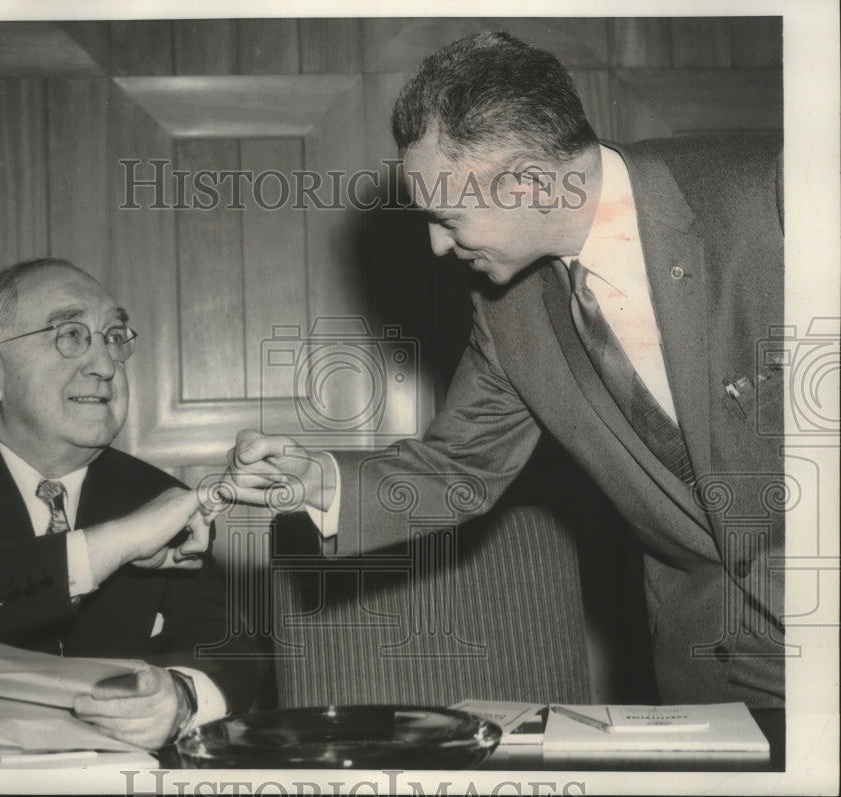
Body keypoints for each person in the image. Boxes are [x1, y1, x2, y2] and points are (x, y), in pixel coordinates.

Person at [223, 32, 785, 707]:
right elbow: (459, 467)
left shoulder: (778, 194)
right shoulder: (508, 311)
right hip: (714, 664)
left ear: (530, 184)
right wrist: (321, 481)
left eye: (448, 216)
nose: (434, 245)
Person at [0, 257, 260, 752]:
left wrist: (180, 698)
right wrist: (112, 544)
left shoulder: (152, 496)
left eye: (114, 337)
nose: (104, 365)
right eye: (70, 335)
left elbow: (227, 646)